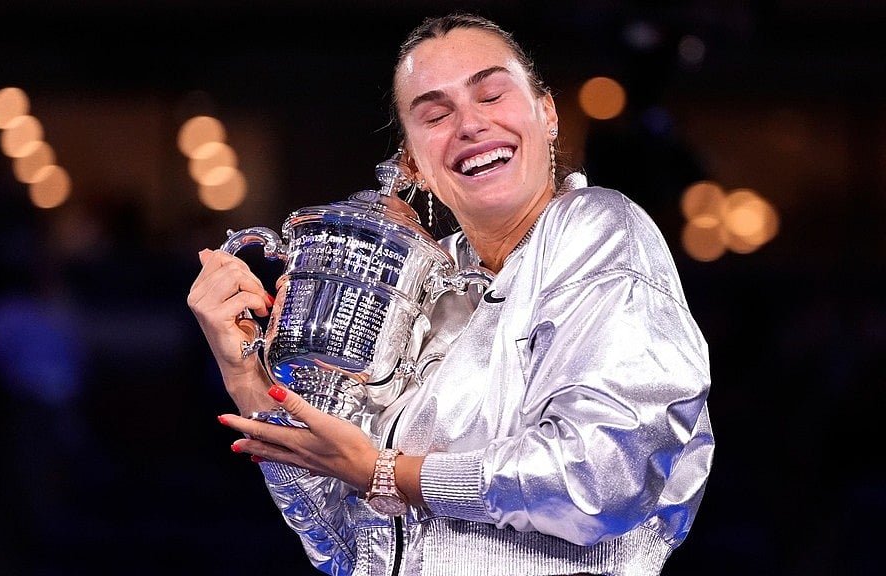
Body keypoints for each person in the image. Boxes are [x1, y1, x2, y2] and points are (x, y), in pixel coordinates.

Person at [188, 11, 714, 576]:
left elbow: (602, 475)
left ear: (547, 114)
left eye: (491, 94)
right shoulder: (424, 289)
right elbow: (348, 550)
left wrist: (388, 473)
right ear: (413, 162)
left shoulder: (598, 228)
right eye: (436, 114)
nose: (469, 124)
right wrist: (247, 375)